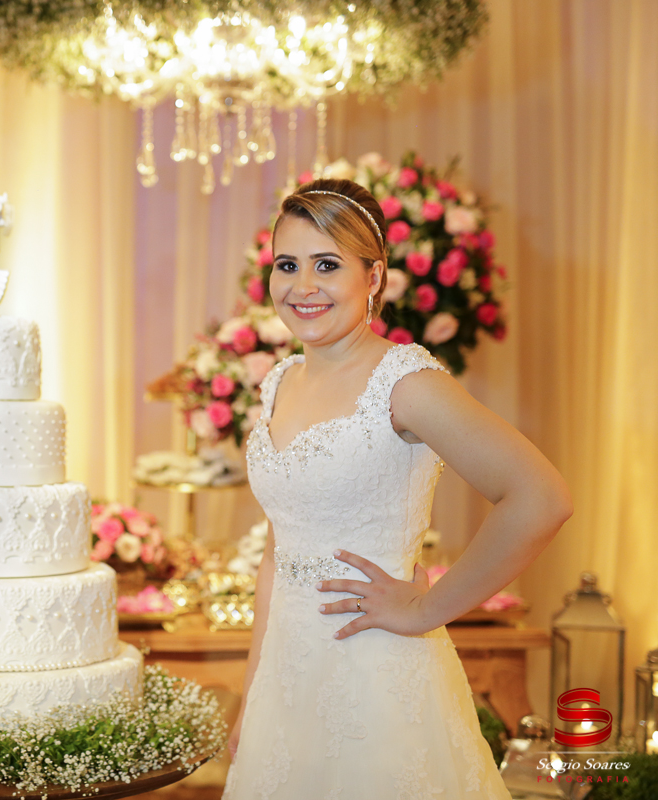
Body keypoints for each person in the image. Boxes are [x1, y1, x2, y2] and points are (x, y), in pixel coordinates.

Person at [221, 179, 572, 798]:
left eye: (327, 265)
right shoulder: (276, 384)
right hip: (288, 683)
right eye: (287, 264)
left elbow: (540, 497)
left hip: (379, 675)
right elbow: (280, 553)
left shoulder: (405, 382)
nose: (303, 286)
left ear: (375, 277)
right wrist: (253, 693)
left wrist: (426, 607)